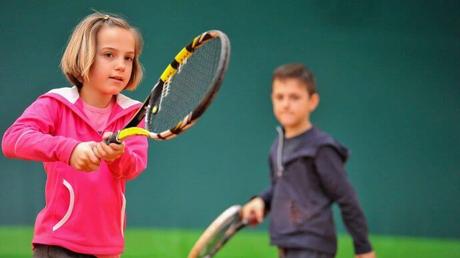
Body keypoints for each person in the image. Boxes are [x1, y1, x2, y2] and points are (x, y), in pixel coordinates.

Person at [2, 12, 148, 257]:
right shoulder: (55, 103)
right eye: (109, 55)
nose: (121, 65)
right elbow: (13, 139)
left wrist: (117, 156)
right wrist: (70, 150)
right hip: (58, 245)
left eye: (129, 58)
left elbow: (134, 166)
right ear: (84, 56)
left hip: (108, 249)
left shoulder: (133, 114)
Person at [241, 64, 376, 258]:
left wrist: (363, 248)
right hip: (286, 245)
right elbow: (281, 185)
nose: (286, 104)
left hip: (313, 247)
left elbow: (347, 199)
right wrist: (261, 201)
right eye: (280, 97)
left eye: (294, 97)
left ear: (312, 101)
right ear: (272, 99)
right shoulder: (277, 146)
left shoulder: (321, 148)